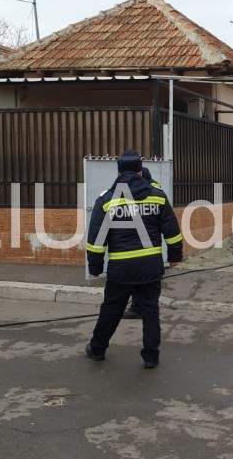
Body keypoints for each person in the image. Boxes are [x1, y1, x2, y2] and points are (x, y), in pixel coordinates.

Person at [85, 150, 183, 369]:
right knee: (150, 312)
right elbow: (171, 229)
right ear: (140, 172)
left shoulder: (107, 200)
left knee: (111, 310)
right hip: (150, 267)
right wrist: (175, 256)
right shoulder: (157, 196)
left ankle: (97, 349)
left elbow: (96, 240)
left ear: (118, 172)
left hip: (121, 270)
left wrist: (95, 267)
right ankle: (151, 357)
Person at [122, 166, 164, 320]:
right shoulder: (156, 190)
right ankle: (145, 308)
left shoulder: (141, 192)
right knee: (150, 281)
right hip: (151, 244)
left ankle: (138, 309)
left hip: (139, 243)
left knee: (139, 280)